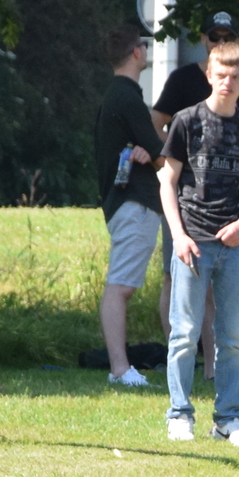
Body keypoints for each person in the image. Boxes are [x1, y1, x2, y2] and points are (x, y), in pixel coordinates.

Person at [157, 39, 239, 444]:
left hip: (234, 244)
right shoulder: (186, 120)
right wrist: (178, 235)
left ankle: (228, 419)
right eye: (220, 74)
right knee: (185, 331)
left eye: (235, 77)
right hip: (193, 240)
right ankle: (179, 413)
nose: (227, 81)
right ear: (209, 74)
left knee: (232, 337)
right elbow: (166, 181)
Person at [94, 26, 167, 386]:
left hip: (124, 203)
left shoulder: (117, 95)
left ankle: (120, 367)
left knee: (121, 285)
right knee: (120, 286)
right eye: (144, 45)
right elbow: (161, 154)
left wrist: (147, 151)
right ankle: (120, 369)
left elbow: (149, 150)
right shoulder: (127, 97)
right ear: (136, 53)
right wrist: (153, 152)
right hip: (133, 204)